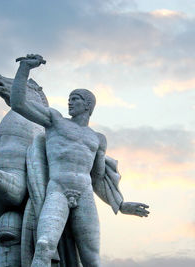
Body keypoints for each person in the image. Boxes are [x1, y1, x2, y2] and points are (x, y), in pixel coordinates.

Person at [11, 54, 149, 267]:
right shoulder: (55, 120)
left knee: (92, 260)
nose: (70, 101)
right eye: (69, 98)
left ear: (87, 105)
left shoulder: (98, 139)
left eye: (75, 98)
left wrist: (121, 205)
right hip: (57, 189)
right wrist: (24, 69)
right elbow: (18, 103)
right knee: (44, 245)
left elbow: (98, 178)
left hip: (84, 195)